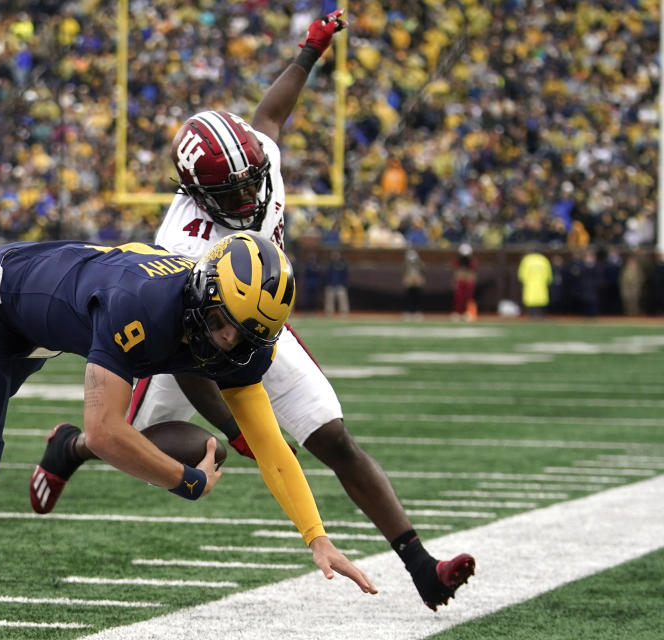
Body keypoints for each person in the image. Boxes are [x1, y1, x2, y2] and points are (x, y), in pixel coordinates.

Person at [29, 9, 473, 611]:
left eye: (250, 182)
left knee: (334, 438)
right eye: (229, 194)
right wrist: (238, 430)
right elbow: (189, 353)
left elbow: (269, 116)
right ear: (197, 193)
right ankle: (72, 446)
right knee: (161, 446)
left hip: (260, 325)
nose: (247, 197)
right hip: (190, 336)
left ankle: (421, 565)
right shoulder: (184, 244)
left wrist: (308, 52)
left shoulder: (259, 155)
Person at [0, 232, 377, 593]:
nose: (226, 343)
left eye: (242, 335)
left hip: (44, 313)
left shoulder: (237, 334)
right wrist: (183, 480)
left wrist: (316, 538)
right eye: (221, 323)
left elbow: (269, 442)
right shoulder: (142, 308)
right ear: (203, 294)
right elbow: (103, 433)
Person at [517, 252, 552, 319]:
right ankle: (542, 315)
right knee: (542, 299)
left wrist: (523, 280)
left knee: (530, 299)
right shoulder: (543, 259)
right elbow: (548, 273)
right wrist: (548, 281)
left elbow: (522, 273)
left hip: (530, 284)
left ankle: (532, 315)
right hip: (541, 283)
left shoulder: (527, 260)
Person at [451, 243, 477, 321]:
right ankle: (458, 313)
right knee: (458, 298)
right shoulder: (458, 260)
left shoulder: (472, 261)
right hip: (460, 281)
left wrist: (467, 277)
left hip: (468, 282)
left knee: (468, 298)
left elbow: (472, 273)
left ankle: (467, 312)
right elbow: (456, 273)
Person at [323, 250, 350, 315]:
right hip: (330, 285)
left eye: (336, 255)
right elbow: (326, 275)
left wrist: (343, 283)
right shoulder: (329, 264)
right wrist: (327, 283)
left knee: (342, 299)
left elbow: (345, 275)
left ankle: (344, 312)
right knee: (329, 300)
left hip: (340, 285)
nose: (335, 256)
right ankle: (329, 312)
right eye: (334, 255)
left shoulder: (343, 264)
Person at [402, 249, 426, 320]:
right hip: (410, 284)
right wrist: (407, 280)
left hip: (417, 284)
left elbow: (422, 274)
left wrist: (420, 280)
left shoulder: (420, 264)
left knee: (417, 297)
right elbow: (405, 274)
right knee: (409, 297)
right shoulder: (406, 264)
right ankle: (409, 311)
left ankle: (417, 311)